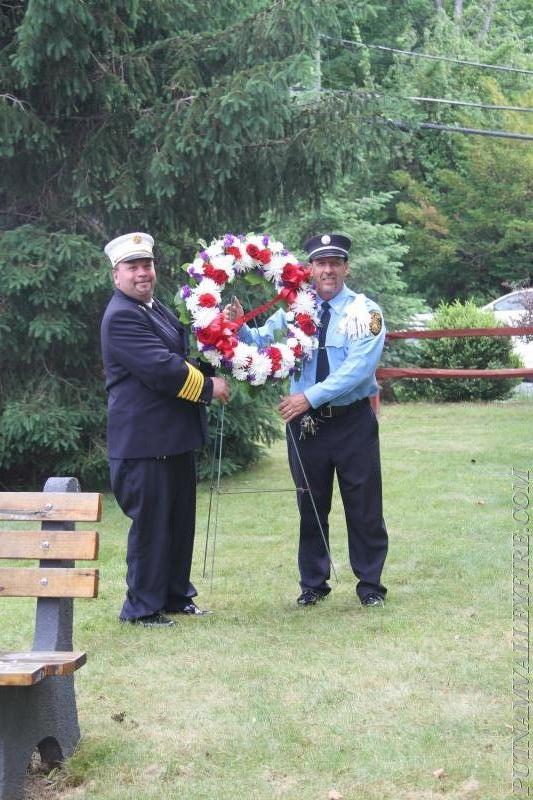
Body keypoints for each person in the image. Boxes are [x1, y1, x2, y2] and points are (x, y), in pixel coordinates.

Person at [228, 233, 388, 608]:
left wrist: (308, 397)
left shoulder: (367, 312)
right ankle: (313, 584)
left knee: (363, 505)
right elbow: (263, 342)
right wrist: (238, 327)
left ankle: (370, 585)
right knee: (310, 505)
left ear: (346, 268)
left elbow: (359, 369)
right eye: (320, 263)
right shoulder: (294, 310)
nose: (328, 270)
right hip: (306, 426)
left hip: (352, 421)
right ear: (310, 268)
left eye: (335, 263)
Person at [101, 232, 230, 627]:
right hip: (143, 444)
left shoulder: (155, 309)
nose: (142, 274)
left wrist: (227, 348)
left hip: (171, 439)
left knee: (177, 523)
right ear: (116, 274)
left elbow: (182, 356)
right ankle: (141, 609)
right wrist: (209, 388)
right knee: (152, 528)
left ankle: (175, 595)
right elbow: (162, 369)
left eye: (147, 265)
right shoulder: (121, 315)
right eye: (133, 267)